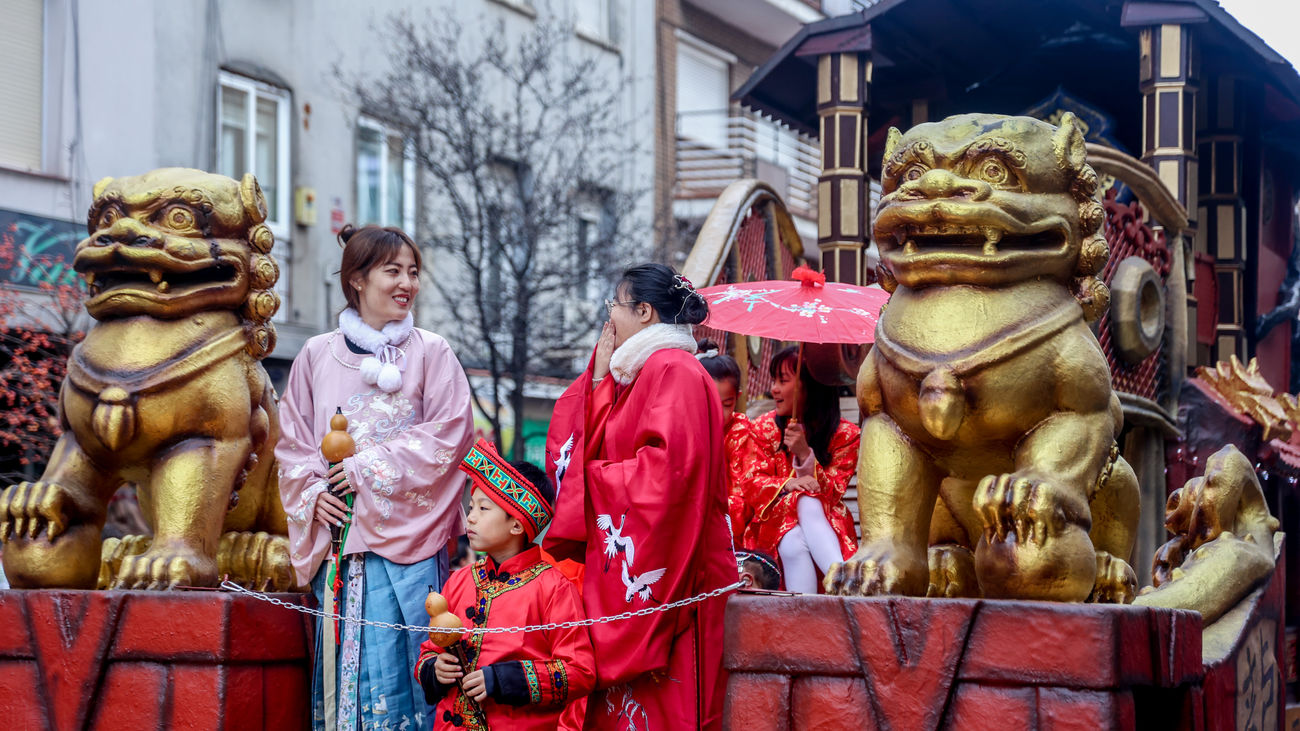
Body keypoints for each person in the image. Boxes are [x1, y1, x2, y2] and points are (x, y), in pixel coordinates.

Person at [275, 224, 476, 731]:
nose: (406, 282)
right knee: (339, 678)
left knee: (409, 671)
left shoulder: (433, 352)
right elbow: (293, 443)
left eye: (413, 272)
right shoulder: (317, 355)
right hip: (339, 544)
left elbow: (451, 437)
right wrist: (314, 493)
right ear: (357, 279)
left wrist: (365, 468)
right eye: (393, 271)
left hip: (409, 544)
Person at [543, 263, 736, 729]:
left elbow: (667, 479)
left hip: (681, 573)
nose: (610, 314)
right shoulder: (644, 372)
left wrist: (590, 479)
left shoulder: (676, 370)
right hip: (660, 561)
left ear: (644, 311)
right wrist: (598, 382)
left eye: (616, 303)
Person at [416, 440, 596, 730]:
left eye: (483, 508)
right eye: (471, 506)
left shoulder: (553, 588)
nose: (470, 517)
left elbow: (579, 671)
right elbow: (428, 650)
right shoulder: (459, 580)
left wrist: (503, 679)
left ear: (516, 525)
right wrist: (434, 669)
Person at [731, 345, 860, 594]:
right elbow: (750, 483)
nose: (774, 389)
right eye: (774, 380)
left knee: (798, 525)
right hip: (771, 523)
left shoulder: (846, 435)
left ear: (810, 388)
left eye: (783, 381)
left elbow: (833, 492)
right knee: (796, 519)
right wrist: (790, 485)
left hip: (825, 521)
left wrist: (803, 453)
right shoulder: (762, 428)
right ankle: (842, 580)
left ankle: (803, 610)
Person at [696, 340, 756, 543]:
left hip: (729, 528)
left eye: (727, 404)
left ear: (737, 398)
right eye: (709, 402)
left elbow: (744, 496)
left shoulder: (741, 432)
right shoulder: (687, 429)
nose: (718, 413)